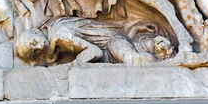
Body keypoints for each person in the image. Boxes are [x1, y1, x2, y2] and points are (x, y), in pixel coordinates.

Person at [14, 17, 174, 66]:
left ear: (36, 31)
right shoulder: (54, 26)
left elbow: (95, 52)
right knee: (143, 52)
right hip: (120, 41)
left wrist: (73, 65)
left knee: (135, 61)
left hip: (113, 43)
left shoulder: (62, 35)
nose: (39, 45)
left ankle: (170, 61)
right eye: (34, 49)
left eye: (33, 41)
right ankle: (160, 49)